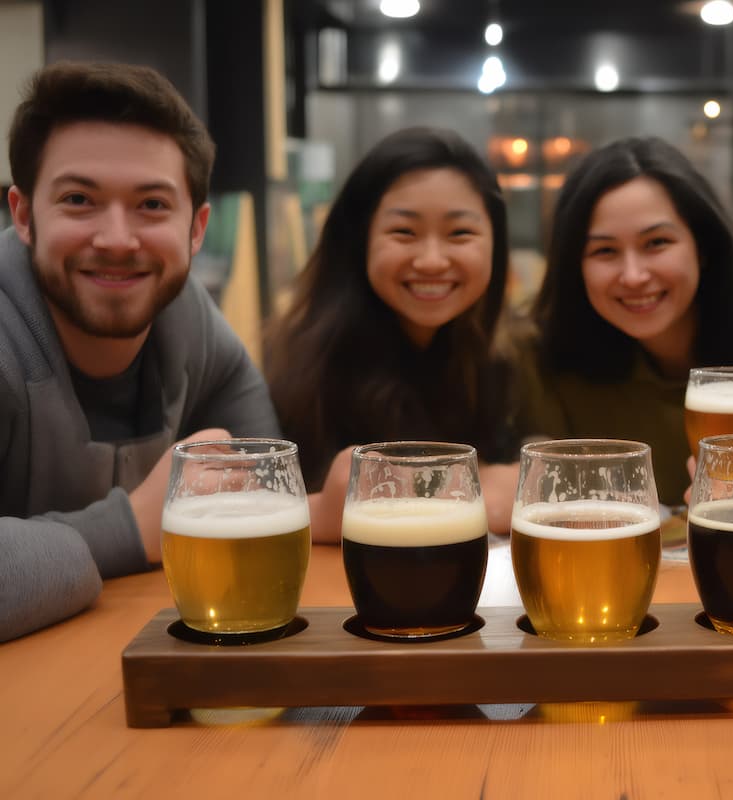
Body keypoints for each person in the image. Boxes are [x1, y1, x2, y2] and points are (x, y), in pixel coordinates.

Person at [0, 62, 283, 642]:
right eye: (79, 199)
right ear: (23, 215)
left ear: (196, 228)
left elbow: (267, 497)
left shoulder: (194, 327)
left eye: (152, 205)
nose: (117, 240)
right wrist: (134, 525)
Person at [518, 136, 733, 507]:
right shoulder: (550, 356)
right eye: (604, 251)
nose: (634, 275)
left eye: (656, 243)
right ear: (576, 267)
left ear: (701, 246)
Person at [266, 127, 519, 535]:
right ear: (359, 241)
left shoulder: (498, 357)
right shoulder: (303, 370)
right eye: (404, 232)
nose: (432, 261)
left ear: (496, 244)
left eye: (460, 233)